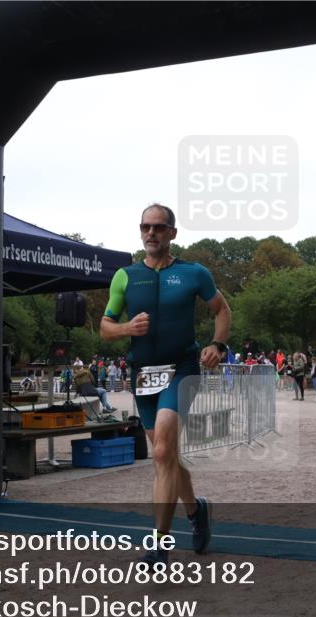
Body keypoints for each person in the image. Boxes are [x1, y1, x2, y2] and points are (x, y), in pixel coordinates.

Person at [100, 203, 231, 568]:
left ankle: (159, 546)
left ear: (172, 233)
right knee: (167, 456)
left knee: (160, 453)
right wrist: (126, 328)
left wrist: (217, 345)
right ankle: (195, 511)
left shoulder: (194, 273)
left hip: (181, 368)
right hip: (143, 373)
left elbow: (222, 309)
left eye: (158, 227)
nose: (151, 233)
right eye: (145, 226)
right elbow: (105, 327)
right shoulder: (125, 276)